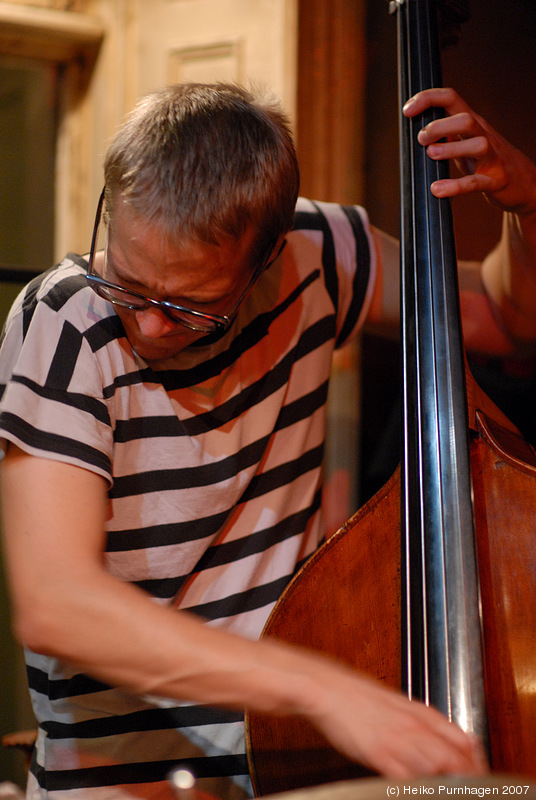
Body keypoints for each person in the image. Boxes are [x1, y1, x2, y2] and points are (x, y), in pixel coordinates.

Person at [1, 82, 535, 800]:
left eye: (192, 306)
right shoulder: (66, 323)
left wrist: (528, 206)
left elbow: (504, 316)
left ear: (267, 256)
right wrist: (325, 690)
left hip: (284, 763)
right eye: (130, 284)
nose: (150, 327)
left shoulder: (315, 255)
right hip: (120, 780)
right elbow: (57, 601)